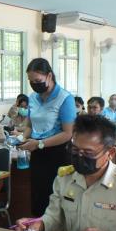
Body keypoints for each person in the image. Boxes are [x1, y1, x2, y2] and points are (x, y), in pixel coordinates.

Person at [15, 115, 116, 231]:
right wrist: (39, 225)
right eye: (75, 150)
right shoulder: (64, 179)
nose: (80, 156)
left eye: (88, 152)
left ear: (110, 153)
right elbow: (54, 217)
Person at [19, 58, 76, 216]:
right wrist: (22, 140)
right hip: (37, 153)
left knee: (56, 197)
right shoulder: (33, 98)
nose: (34, 84)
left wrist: (39, 144)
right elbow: (30, 125)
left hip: (58, 154)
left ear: (49, 76)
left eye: (37, 80)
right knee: (38, 197)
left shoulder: (65, 98)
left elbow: (67, 133)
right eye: (31, 81)